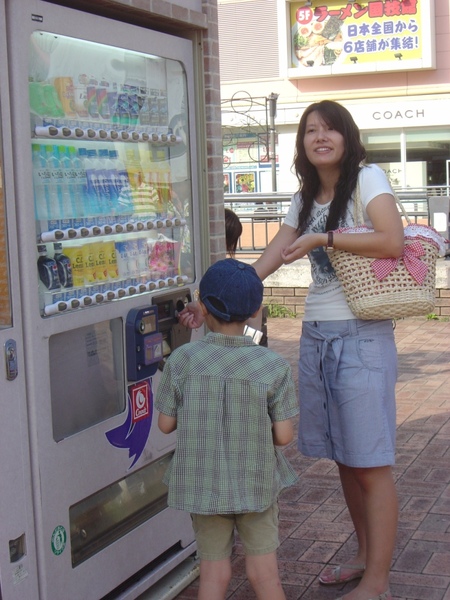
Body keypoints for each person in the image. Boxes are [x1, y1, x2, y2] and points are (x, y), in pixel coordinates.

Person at [179, 100, 402, 600]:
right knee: (346, 458)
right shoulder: (304, 199)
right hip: (318, 334)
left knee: (371, 461)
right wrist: (208, 303)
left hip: (363, 335)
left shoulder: (368, 179)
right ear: (301, 145)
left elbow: (392, 240)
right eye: (309, 131)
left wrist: (326, 237)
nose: (319, 137)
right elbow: (264, 264)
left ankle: (378, 582)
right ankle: (366, 557)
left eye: (329, 129)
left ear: (347, 136)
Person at [155, 258, 299, 600]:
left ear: (202, 306)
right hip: (256, 483)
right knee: (264, 576)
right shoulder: (273, 366)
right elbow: (284, 436)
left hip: (203, 485)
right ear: (256, 310)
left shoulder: (182, 360)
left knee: (213, 574)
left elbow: (164, 425)